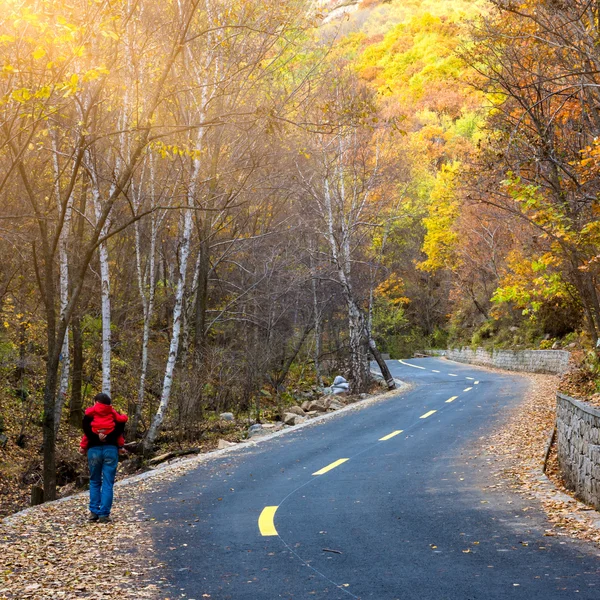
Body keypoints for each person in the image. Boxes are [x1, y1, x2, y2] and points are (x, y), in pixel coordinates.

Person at [80, 393, 127, 523]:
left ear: (96, 402)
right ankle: (104, 514)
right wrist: (120, 446)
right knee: (108, 483)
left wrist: (84, 446)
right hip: (110, 450)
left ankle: (94, 512)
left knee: (95, 481)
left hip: (94, 450)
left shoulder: (90, 415)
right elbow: (119, 432)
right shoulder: (113, 415)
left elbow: (86, 433)